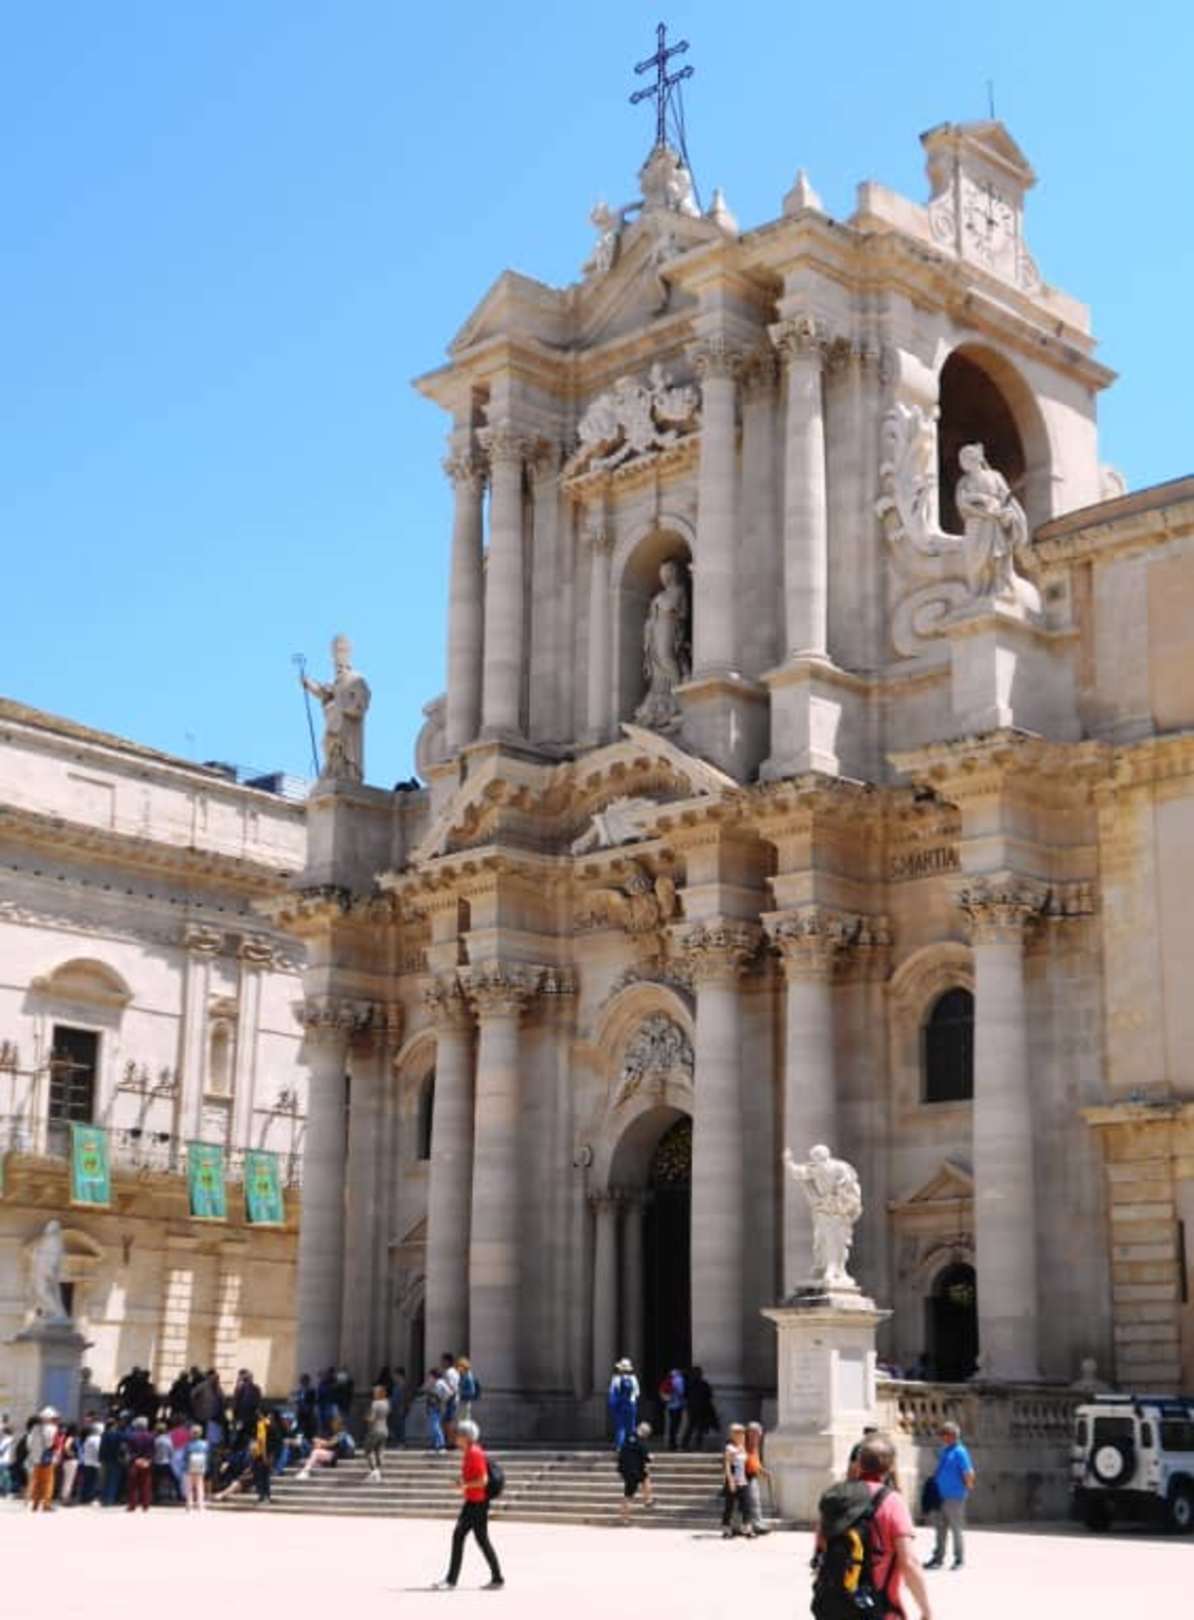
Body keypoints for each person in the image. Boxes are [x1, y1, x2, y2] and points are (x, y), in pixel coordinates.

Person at [849, 1436, 933, 1619]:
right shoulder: (892, 1502)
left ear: (859, 1464)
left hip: (836, 1605)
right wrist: (926, 1610)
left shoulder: (837, 1499)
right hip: (879, 1607)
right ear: (890, 1468)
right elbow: (908, 1562)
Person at [433, 1420, 504, 1591]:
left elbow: (483, 1480)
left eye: (458, 1434)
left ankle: (451, 1580)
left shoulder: (474, 1453)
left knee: (459, 1536)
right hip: (475, 1500)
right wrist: (463, 1482)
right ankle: (497, 1578)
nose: (455, 1437)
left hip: (477, 1502)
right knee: (481, 1539)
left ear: (466, 1437)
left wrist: (465, 1485)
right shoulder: (469, 1452)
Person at [924, 1421, 975, 1571]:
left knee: (956, 1529)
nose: (941, 1438)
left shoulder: (960, 1452)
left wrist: (967, 1488)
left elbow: (968, 1472)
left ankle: (959, 1559)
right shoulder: (945, 1450)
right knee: (940, 1529)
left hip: (955, 1497)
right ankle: (938, 1558)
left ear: (952, 1435)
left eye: (943, 1435)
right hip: (941, 1496)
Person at [617, 1420, 655, 1525]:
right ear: (645, 1433)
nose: (646, 1437)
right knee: (629, 1496)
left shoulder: (627, 1439)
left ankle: (648, 1500)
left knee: (645, 1477)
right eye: (647, 1435)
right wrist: (651, 1457)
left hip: (626, 1471)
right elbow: (647, 1457)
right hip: (635, 1471)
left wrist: (620, 1469)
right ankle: (625, 1519)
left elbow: (621, 1453)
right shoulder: (641, 1443)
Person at [721, 1423, 752, 1538]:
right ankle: (726, 1529)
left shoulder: (743, 1447)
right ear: (733, 1435)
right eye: (738, 1433)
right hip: (733, 1480)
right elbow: (727, 1465)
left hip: (743, 1480)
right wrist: (730, 1481)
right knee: (729, 1506)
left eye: (742, 1433)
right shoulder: (729, 1448)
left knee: (746, 1505)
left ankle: (747, 1528)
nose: (741, 1435)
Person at [27, 1407, 58, 1512]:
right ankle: (46, 1504)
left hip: (36, 1459)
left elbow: (30, 1444)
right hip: (47, 1459)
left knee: (37, 1482)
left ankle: (35, 1504)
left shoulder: (35, 1428)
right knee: (48, 1482)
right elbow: (50, 1444)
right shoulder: (53, 1428)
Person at [744, 1422, 772, 1534]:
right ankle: (754, 1524)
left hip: (752, 1476)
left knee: (755, 1500)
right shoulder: (743, 1445)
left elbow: (756, 1462)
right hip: (744, 1476)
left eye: (759, 1434)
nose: (758, 1437)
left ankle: (757, 1523)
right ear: (749, 1433)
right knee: (751, 1501)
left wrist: (763, 1471)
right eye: (755, 1434)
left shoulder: (755, 1446)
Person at [608, 1358, 639, 1450]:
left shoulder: (616, 1379)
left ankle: (620, 1446)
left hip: (620, 1405)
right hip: (631, 1405)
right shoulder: (633, 1379)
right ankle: (631, 1445)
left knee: (620, 1426)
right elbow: (637, 1393)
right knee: (631, 1426)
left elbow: (612, 1392)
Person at [125, 1415, 155, 1511]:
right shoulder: (151, 1436)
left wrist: (135, 1459)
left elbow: (129, 1450)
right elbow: (152, 1450)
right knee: (145, 1484)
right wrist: (148, 1459)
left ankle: (132, 1505)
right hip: (146, 1461)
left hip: (135, 1461)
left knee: (133, 1485)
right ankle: (145, 1505)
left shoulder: (131, 1436)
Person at [684, 1366, 717, 1452]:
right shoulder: (703, 1384)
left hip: (692, 1408)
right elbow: (709, 1396)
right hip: (701, 1408)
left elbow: (685, 1396)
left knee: (691, 1427)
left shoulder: (689, 1384)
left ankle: (686, 1444)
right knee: (699, 1428)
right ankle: (696, 1444)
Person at [365, 1384, 390, 1482]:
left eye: (375, 1392)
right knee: (379, 1451)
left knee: (368, 1451)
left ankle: (374, 1471)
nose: (373, 1394)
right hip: (384, 1430)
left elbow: (372, 1418)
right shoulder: (387, 1403)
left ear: (379, 1393)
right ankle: (378, 1472)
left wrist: (366, 1418)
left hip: (375, 1430)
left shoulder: (375, 1404)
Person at [183, 1424, 209, 1512]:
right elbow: (207, 1456)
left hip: (189, 1466)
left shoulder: (188, 1445)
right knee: (200, 1486)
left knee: (189, 1487)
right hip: (200, 1466)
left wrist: (184, 1466)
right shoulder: (205, 1444)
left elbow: (185, 1457)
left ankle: (189, 1505)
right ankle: (200, 1506)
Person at [661, 1367, 686, 1451]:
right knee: (676, 1426)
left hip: (670, 1405)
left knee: (672, 1425)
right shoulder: (679, 1380)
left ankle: (671, 1443)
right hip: (678, 1405)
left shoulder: (669, 1380)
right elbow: (681, 1392)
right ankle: (675, 1444)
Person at [57, 1423, 79, 1505]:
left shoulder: (66, 1437)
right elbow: (66, 1447)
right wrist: (71, 1454)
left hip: (67, 1461)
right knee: (69, 1480)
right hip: (70, 1461)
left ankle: (64, 1497)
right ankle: (66, 1498)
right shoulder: (71, 1438)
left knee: (67, 1480)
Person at [440, 1354, 461, 1443]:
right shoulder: (455, 1372)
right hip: (453, 1398)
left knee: (448, 1421)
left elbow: (451, 1387)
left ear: (448, 1362)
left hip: (450, 1399)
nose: (441, 1363)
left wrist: (445, 1398)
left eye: (443, 1361)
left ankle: (451, 1441)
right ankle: (450, 1440)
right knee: (449, 1421)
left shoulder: (449, 1372)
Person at [79, 1423, 102, 1505]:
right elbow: (98, 1450)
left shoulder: (88, 1438)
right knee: (94, 1481)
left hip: (87, 1461)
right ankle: (90, 1498)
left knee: (87, 1481)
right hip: (95, 1463)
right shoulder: (97, 1439)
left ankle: (84, 1498)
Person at [456, 1357, 479, 1426]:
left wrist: (460, 1392)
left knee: (464, 1422)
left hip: (465, 1402)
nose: (458, 1368)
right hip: (461, 1401)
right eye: (458, 1366)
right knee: (461, 1421)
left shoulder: (468, 1377)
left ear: (464, 1367)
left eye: (460, 1366)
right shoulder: (462, 1375)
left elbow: (472, 1391)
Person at [0, 1419, 15, 1498]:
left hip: (3, 1460)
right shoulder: (10, 1439)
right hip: (6, 1460)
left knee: (4, 1476)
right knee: (5, 1476)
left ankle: (5, 1491)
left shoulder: (6, 1440)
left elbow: (1, 1450)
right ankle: (6, 1491)